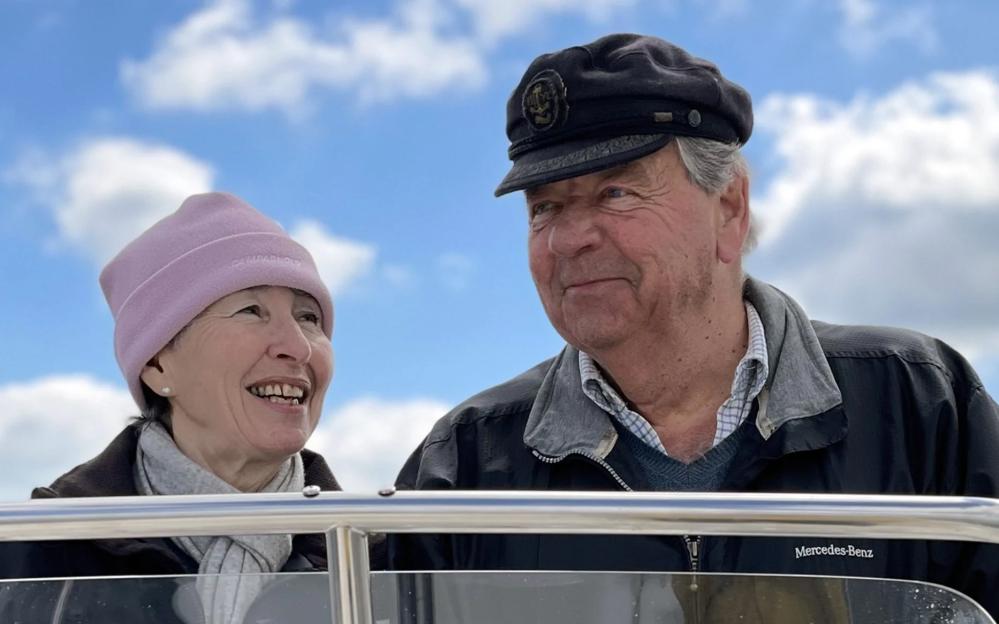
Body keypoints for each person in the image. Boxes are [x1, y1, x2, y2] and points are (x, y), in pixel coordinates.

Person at [390, 33, 999, 619]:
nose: (569, 239)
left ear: (730, 208)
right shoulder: (463, 465)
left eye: (615, 192)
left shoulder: (920, 405)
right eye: (544, 207)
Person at [0, 192, 355, 623]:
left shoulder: (369, 549)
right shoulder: (42, 549)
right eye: (251, 311)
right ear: (156, 365)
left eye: (308, 318)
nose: (298, 347)